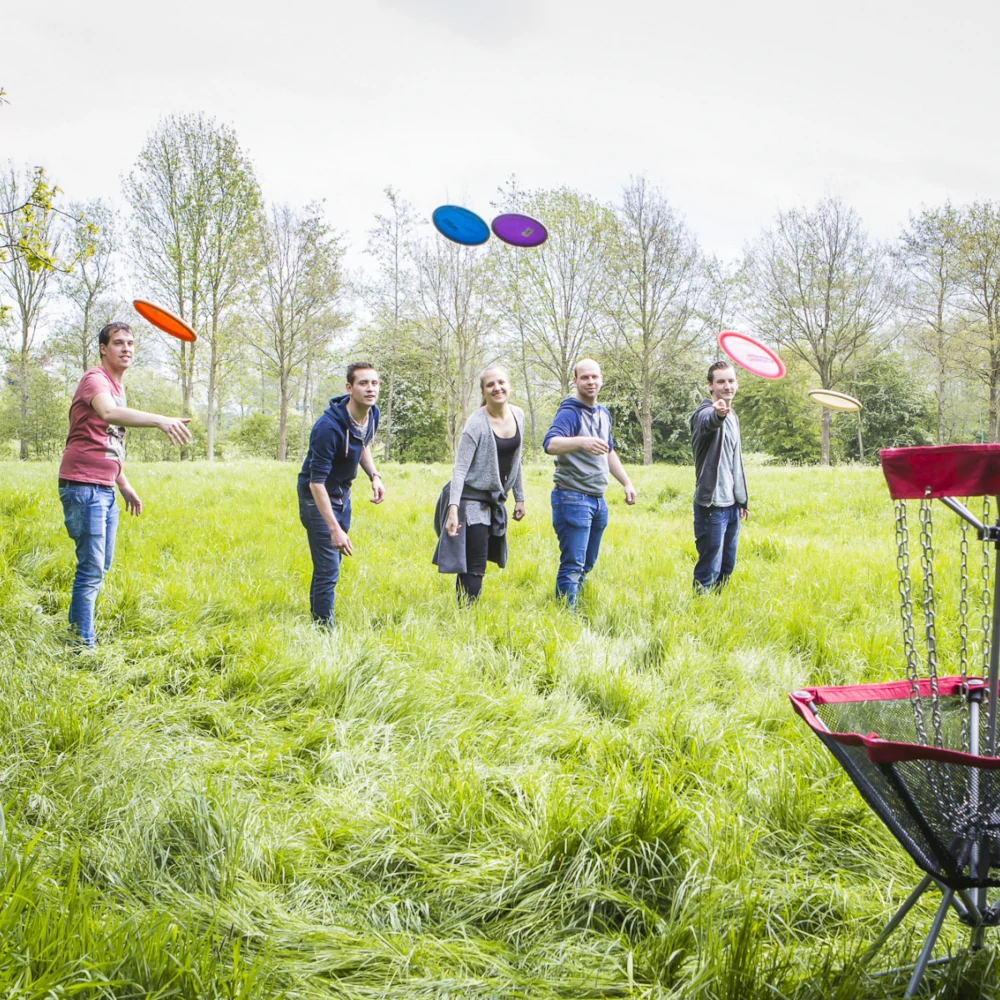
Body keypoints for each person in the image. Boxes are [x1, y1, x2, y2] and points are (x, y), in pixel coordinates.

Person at [58, 321, 192, 648]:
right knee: (90, 569)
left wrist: (123, 483)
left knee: (99, 566)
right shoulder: (95, 380)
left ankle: (80, 630)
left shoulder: (118, 389)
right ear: (104, 348)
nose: (126, 348)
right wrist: (160, 420)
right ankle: (81, 646)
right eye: (118, 342)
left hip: (103, 486)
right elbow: (108, 414)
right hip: (83, 485)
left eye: (130, 343)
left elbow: (108, 443)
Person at [542, 358, 636, 610]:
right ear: (575, 381)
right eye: (584, 377)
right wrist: (582, 441)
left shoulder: (603, 413)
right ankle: (566, 619)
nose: (590, 381)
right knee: (572, 564)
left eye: (594, 376)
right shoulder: (570, 411)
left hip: (597, 498)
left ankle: (573, 606)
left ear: (602, 379)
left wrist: (625, 482)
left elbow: (608, 451)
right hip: (572, 497)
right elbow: (550, 444)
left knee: (587, 563)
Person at [297, 362, 385, 627]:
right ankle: (325, 631)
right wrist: (334, 529)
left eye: (374, 383)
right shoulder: (328, 428)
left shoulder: (372, 413)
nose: (370, 389)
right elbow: (316, 483)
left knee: (329, 564)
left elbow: (362, 444)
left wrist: (375, 476)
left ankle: (318, 619)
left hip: (342, 495)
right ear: (349, 388)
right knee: (329, 569)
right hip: (317, 498)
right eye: (363, 383)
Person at [433, 366, 526, 605]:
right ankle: (466, 617)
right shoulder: (476, 424)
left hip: (494, 500)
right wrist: (453, 510)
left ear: (509, 385)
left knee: (478, 558)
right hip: (469, 499)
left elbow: (516, 460)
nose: (497, 388)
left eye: (501, 382)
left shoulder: (519, 415)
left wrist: (520, 497)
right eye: (490, 385)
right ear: (483, 392)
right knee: (475, 562)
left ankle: (465, 611)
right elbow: (460, 469)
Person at [689, 360, 749, 592]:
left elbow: (736, 463)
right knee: (708, 569)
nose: (727, 386)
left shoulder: (733, 416)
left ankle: (716, 609)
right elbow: (708, 422)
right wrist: (718, 414)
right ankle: (699, 612)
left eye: (731, 380)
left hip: (732, 506)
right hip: (711, 505)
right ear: (710, 386)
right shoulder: (704, 414)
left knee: (726, 567)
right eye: (721, 381)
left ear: (737, 383)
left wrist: (742, 500)